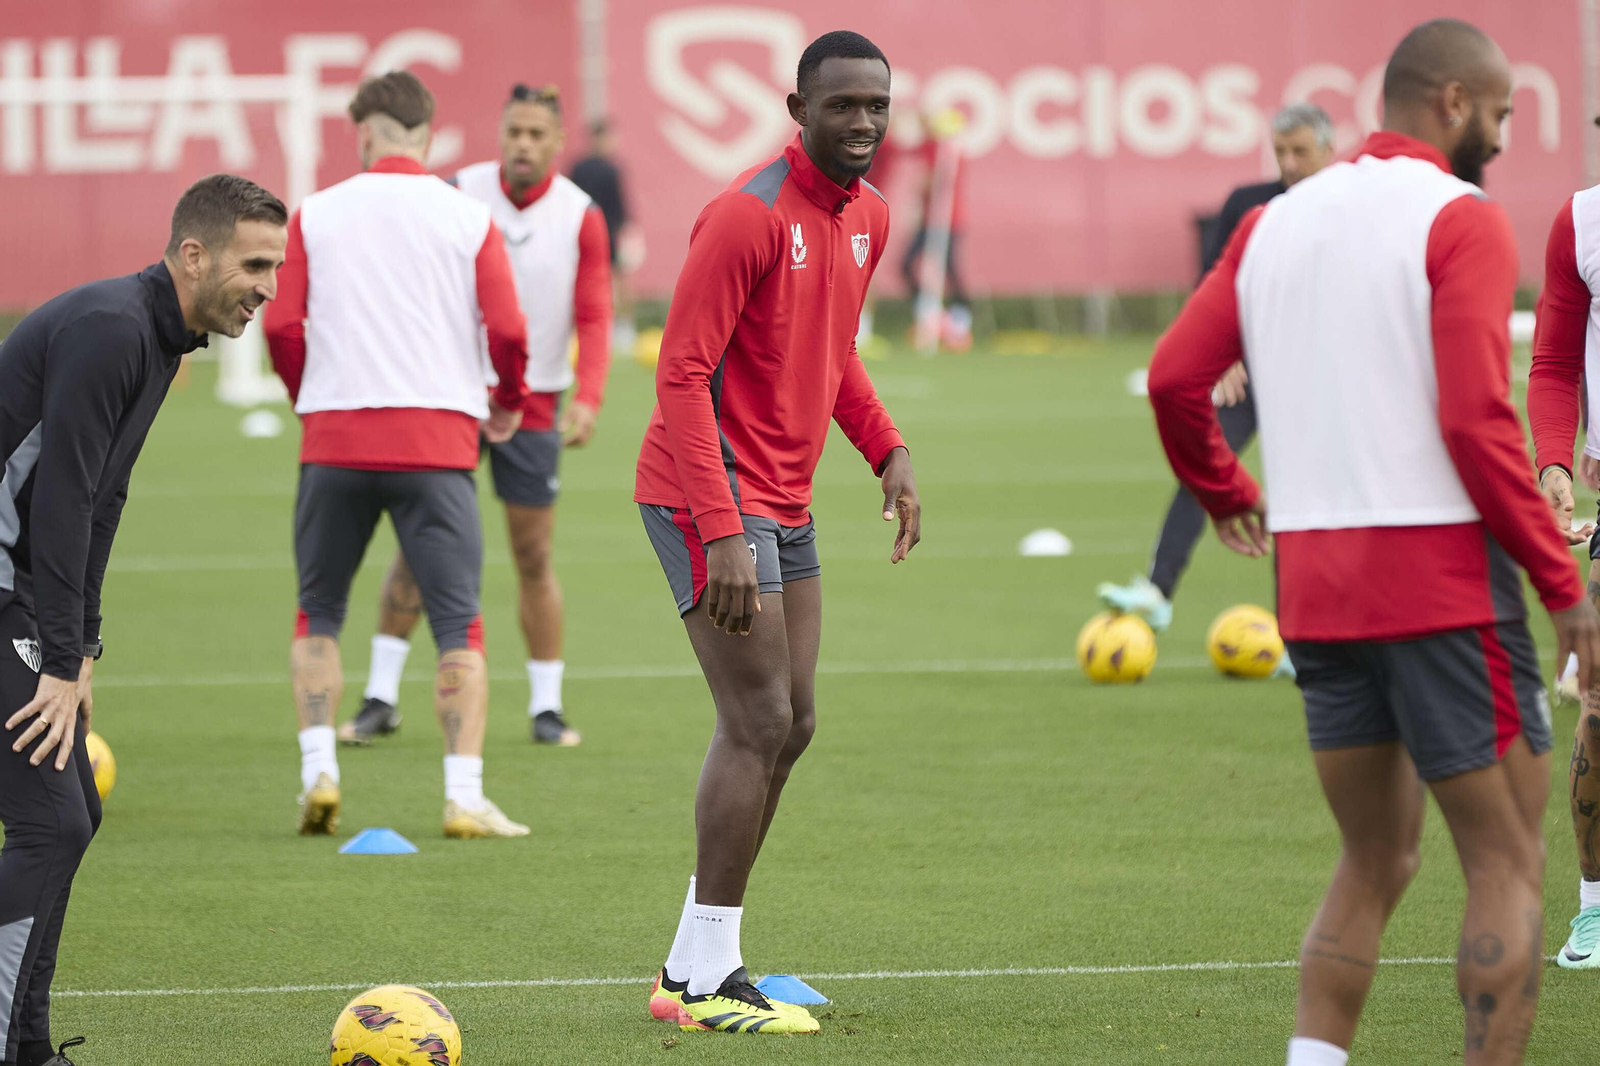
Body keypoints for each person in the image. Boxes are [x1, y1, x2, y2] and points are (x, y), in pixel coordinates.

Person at [1147, 19, 1600, 1066]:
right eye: (1497, 115)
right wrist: (1558, 582)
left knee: (1373, 858)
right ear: (1449, 102)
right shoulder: (1460, 217)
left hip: (1313, 588)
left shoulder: (1275, 224)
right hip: (1441, 580)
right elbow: (1473, 423)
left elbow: (1175, 377)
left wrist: (1223, 489)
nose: (1497, 136)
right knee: (1503, 861)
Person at [633, 30, 920, 1034]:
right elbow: (679, 373)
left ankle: (689, 958)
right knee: (755, 722)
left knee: (793, 722)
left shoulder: (870, 217)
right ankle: (708, 980)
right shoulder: (744, 216)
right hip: (702, 494)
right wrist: (720, 532)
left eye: (876, 107)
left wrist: (885, 449)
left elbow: (829, 349)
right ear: (796, 109)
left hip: (782, 499)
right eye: (842, 106)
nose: (863, 125)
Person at [0, 175, 288, 1066]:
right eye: (254, 263)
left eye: (276, 265)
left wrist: (82, 646)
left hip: (20, 592)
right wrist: (56, 654)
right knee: (52, 823)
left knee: (72, 809)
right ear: (192, 255)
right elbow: (60, 504)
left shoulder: (163, 338)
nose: (269, 286)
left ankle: (28, 1044)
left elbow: (103, 500)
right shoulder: (113, 328)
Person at [262, 71, 533, 840]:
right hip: (437, 439)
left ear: (365, 134)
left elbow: (283, 326)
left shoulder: (317, 213)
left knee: (318, 611)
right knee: (459, 627)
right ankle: (463, 794)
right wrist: (508, 398)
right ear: (426, 133)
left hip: (336, 437)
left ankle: (319, 771)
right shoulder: (467, 217)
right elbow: (509, 330)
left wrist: (306, 396)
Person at [347, 82, 612, 750]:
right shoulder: (457, 191)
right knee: (418, 544)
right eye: (513, 131)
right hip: (453, 398)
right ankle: (380, 696)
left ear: (557, 142)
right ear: (501, 134)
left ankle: (547, 708)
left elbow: (595, 312)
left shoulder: (581, 214)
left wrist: (589, 395)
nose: (522, 144)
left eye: (536, 134)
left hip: (535, 404)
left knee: (532, 553)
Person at [1099, 102, 1336, 637]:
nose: (1291, 163)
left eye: (1301, 151)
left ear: (1329, 150)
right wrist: (1221, 353)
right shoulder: (1248, 206)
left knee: (1301, 498)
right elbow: (1212, 286)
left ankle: (1295, 631)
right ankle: (1157, 591)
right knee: (1203, 467)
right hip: (1250, 377)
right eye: (1281, 152)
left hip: (1317, 383)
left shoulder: (1348, 212)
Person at [1524, 138, 1600, 969]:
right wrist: (1552, 458)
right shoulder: (1581, 222)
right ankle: (1595, 906)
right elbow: (1552, 362)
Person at [570, 118, 639, 354]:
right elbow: (620, 206)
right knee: (610, 280)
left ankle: (619, 328)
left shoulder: (583, 167)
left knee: (611, 280)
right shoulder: (599, 169)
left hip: (594, 231)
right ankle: (617, 329)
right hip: (598, 231)